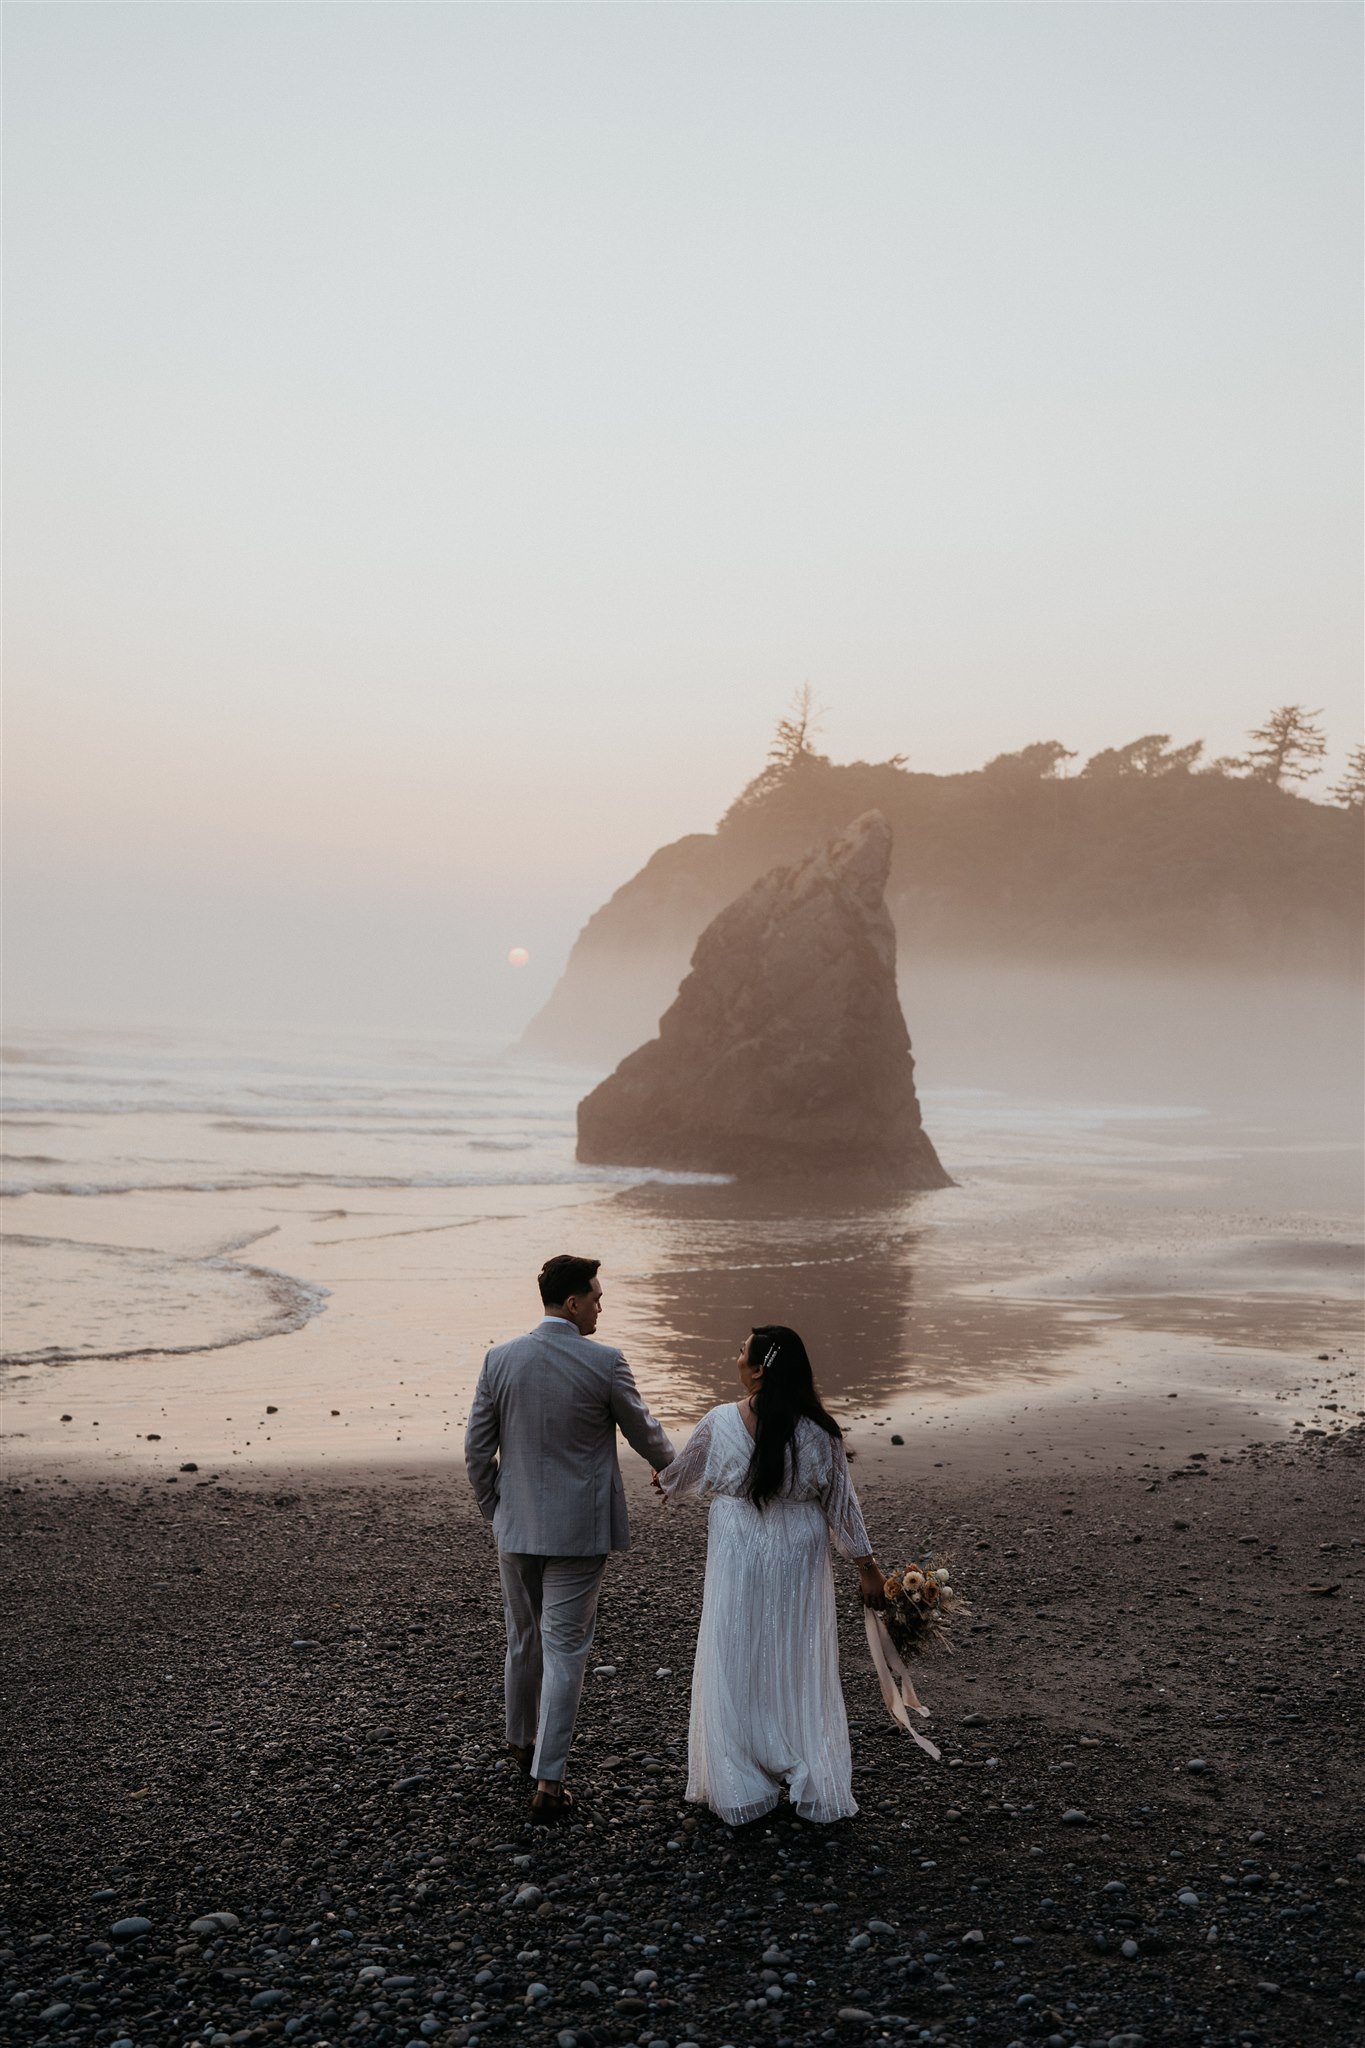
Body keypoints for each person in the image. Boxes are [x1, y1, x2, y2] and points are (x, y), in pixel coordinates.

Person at [464, 1254, 675, 1822]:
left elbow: (476, 1450)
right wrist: (677, 1472)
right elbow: (645, 1433)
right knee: (565, 1651)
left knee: (522, 1636)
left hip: (517, 1526)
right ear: (574, 1302)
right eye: (598, 1298)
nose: (602, 1306)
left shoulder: (499, 1359)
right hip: (579, 1533)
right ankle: (549, 1780)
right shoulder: (604, 1362)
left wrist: (496, 1510)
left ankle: (519, 1741)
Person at [657, 1323, 885, 1825]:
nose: (735, 1358)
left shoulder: (719, 1421)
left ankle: (739, 1777)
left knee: (734, 1647)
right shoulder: (821, 1431)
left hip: (739, 1542)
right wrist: (867, 1567)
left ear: (758, 1370)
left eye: (741, 1353)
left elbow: (679, 1475)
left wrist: (664, 1480)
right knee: (797, 1651)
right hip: (798, 1546)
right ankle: (806, 1763)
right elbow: (841, 1505)